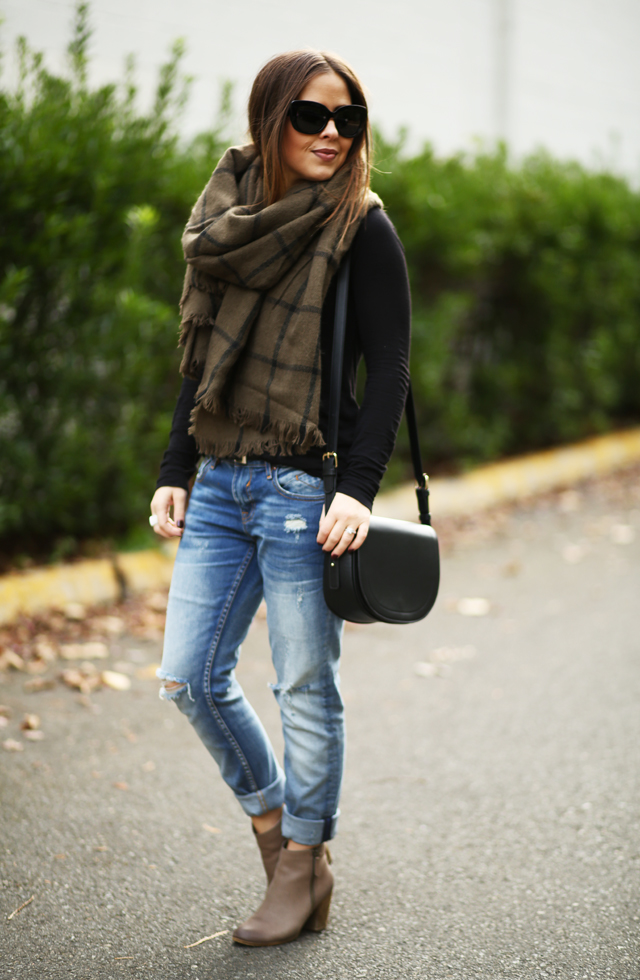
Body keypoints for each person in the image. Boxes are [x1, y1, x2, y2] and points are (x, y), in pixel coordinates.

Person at [149, 49, 411, 947]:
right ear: (272, 117)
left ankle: (304, 863)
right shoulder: (229, 215)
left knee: (304, 683)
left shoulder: (360, 225)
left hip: (305, 486)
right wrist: (174, 467)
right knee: (188, 676)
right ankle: (277, 836)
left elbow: (390, 374)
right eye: (310, 115)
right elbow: (202, 359)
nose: (332, 133)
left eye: (348, 118)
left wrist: (360, 492)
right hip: (221, 481)